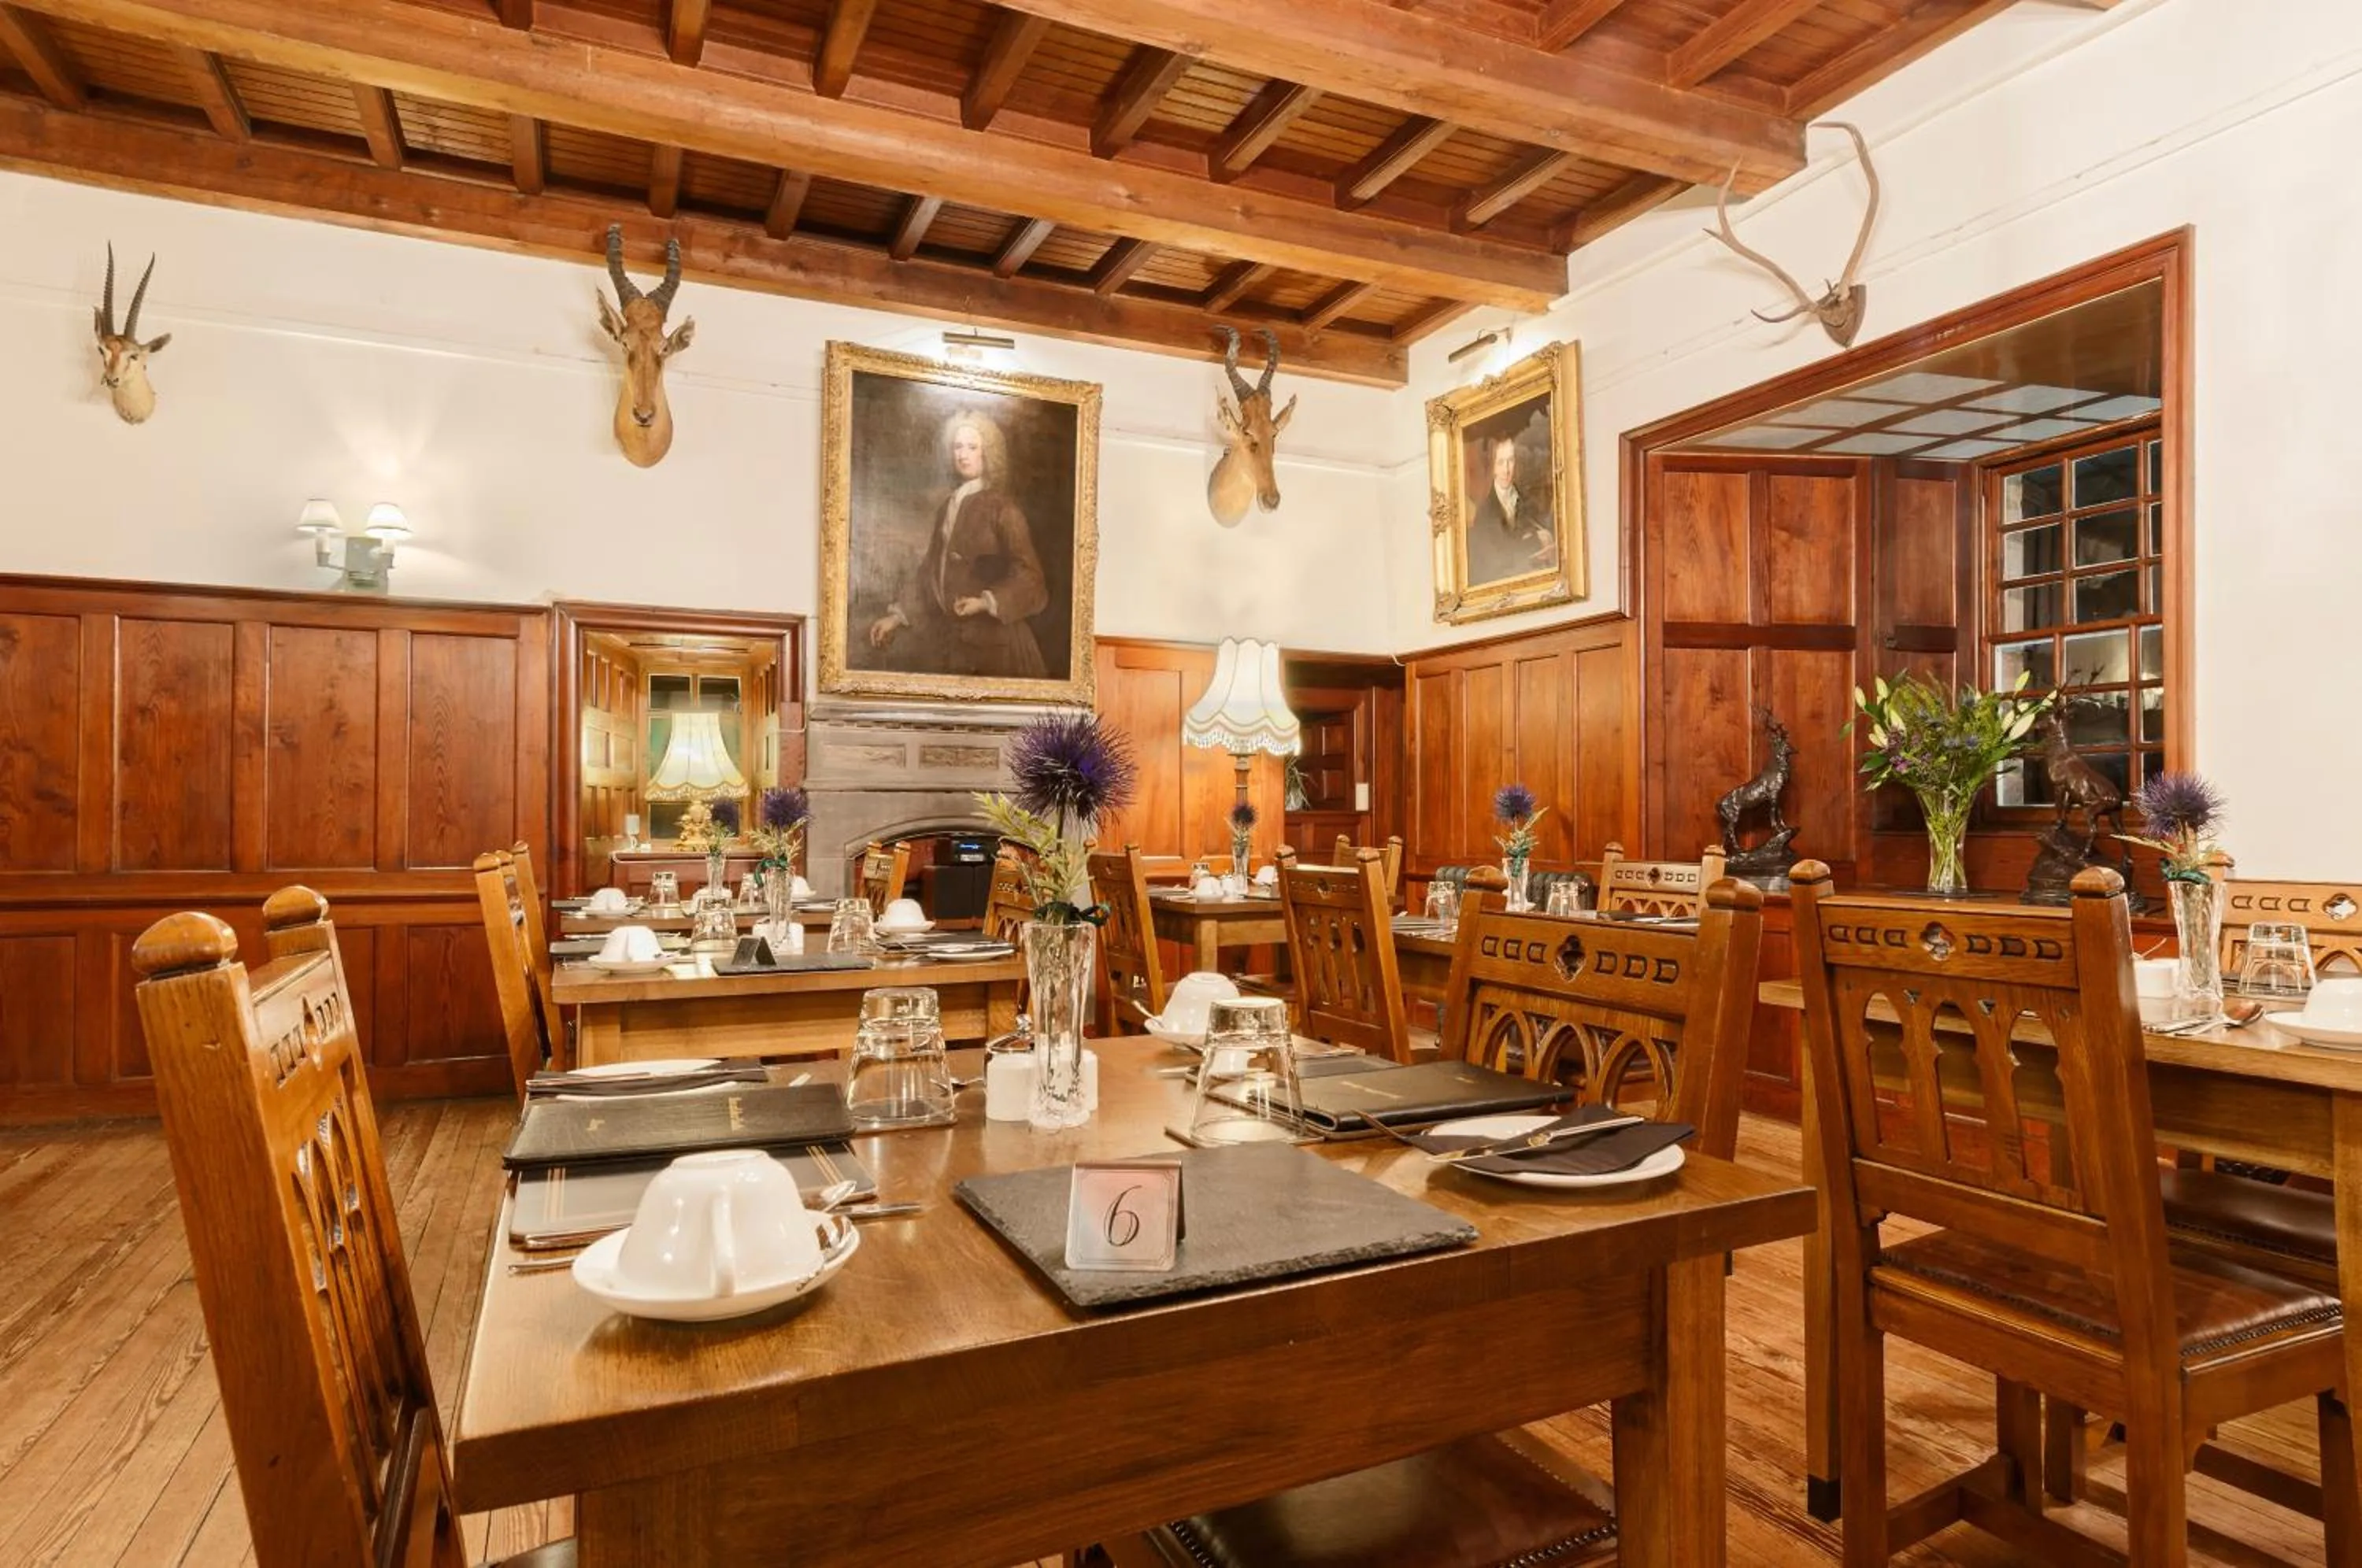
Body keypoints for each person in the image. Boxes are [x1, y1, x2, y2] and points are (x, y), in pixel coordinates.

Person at [866, 408, 1050, 679]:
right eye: (957, 447)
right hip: (957, 646)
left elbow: (1032, 579)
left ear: (988, 453)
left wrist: (985, 602)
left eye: (972, 447)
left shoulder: (1002, 508)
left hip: (1000, 646)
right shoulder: (947, 507)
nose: (963, 455)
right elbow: (930, 574)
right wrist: (896, 617)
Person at [1463, 432, 1557, 584]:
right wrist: (1536, 541)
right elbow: (1499, 558)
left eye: (1510, 461)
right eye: (1500, 463)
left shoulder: (1528, 503)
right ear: (1493, 467)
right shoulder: (1484, 513)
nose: (1506, 470)